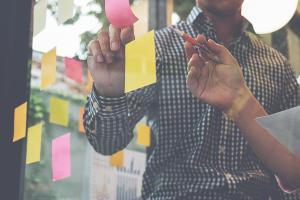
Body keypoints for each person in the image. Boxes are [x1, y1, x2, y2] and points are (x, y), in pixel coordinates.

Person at [84, 0, 300, 199]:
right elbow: (106, 142)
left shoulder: (277, 66)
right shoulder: (153, 47)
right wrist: (109, 92)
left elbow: (294, 167)